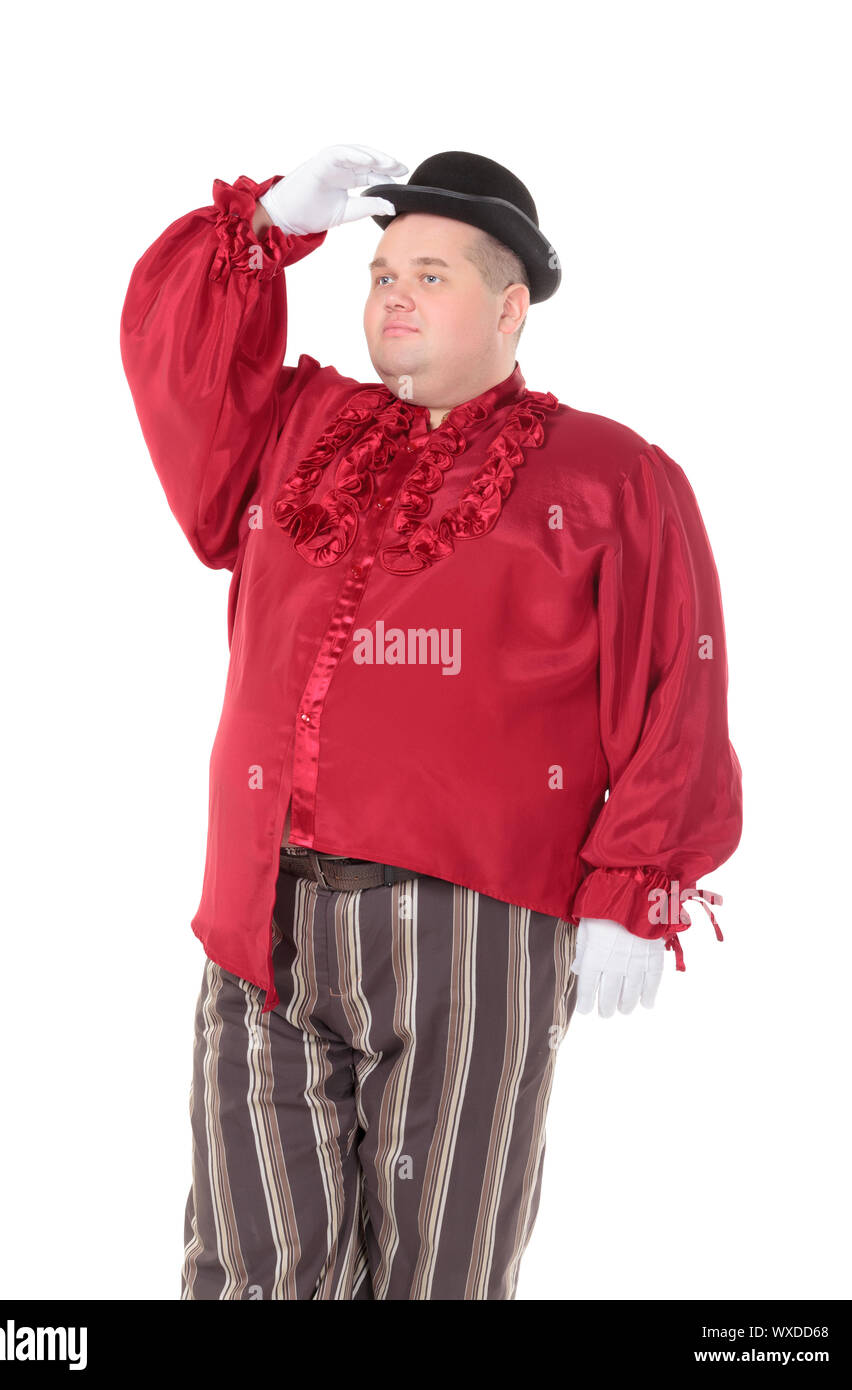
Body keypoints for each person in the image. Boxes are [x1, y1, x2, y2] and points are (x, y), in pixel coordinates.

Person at [119, 144, 742, 1299]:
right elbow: (177, 366)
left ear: (510, 307)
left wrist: (636, 884)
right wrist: (258, 231)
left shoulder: (609, 473)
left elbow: (678, 687)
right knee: (246, 1270)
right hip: (265, 917)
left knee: (440, 1270)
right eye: (381, 270)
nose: (393, 292)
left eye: (432, 273)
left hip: (474, 931)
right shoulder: (299, 431)